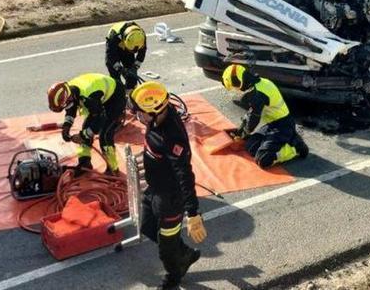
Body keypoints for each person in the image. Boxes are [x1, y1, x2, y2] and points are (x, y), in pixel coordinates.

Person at [131, 81, 205, 290]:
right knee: (147, 227)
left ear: (155, 111)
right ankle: (185, 253)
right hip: (154, 189)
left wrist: (193, 213)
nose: (138, 116)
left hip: (170, 199)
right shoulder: (160, 115)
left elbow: (184, 174)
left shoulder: (172, 137)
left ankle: (174, 277)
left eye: (140, 113)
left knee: (166, 250)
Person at [221, 64, 309, 168]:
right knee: (250, 146)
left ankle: (296, 148)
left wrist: (242, 134)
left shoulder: (259, 93)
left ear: (239, 81)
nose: (237, 90)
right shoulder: (259, 83)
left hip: (282, 126)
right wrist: (240, 131)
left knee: (263, 159)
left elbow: (253, 120)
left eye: (235, 86)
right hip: (272, 124)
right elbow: (250, 114)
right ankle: (287, 139)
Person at [47, 73, 127, 173]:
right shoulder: (69, 91)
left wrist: (83, 135)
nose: (65, 108)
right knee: (85, 129)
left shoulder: (88, 97)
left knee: (105, 135)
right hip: (98, 99)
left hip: (115, 97)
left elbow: (99, 120)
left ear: (69, 98)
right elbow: (71, 109)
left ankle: (113, 168)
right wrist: (66, 126)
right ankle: (85, 162)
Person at [106, 21, 147, 91]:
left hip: (128, 49)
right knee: (115, 76)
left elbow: (142, 53)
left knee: (132, 77)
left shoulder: (140, 36)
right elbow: (110, 56)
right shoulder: (114, 36)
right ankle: (118, 91)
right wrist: (119, 68)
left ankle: (130, 91)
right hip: (114, 48)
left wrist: (135, 66)